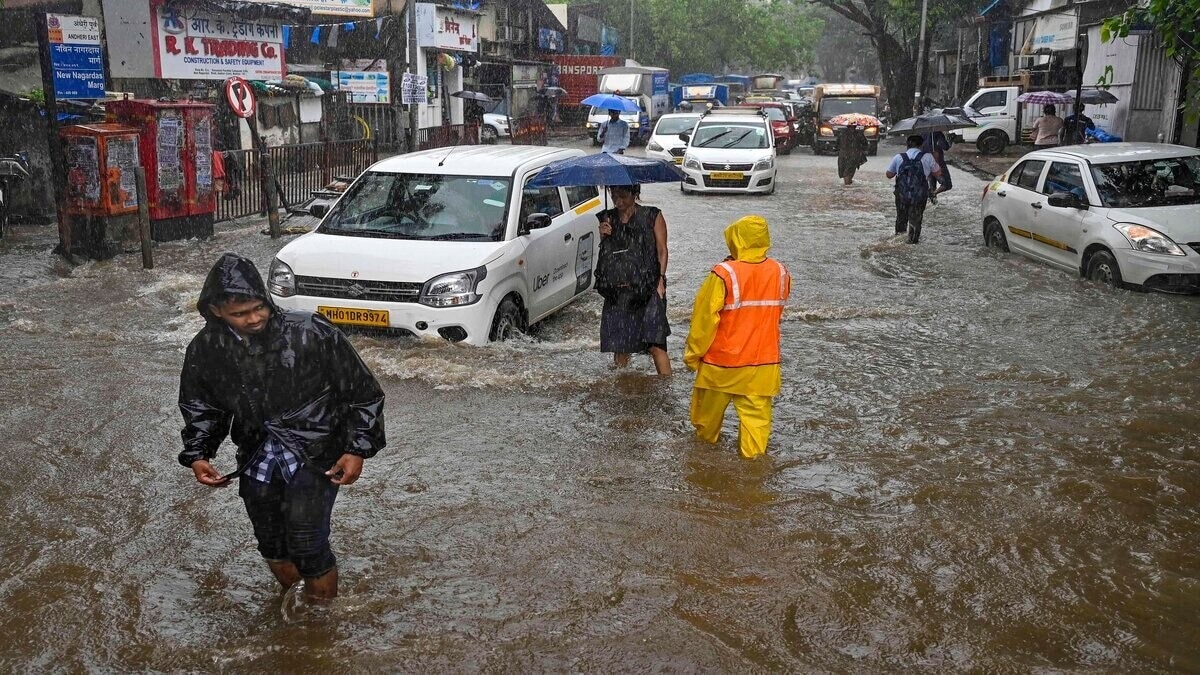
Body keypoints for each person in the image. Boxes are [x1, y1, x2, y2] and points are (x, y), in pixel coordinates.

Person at [178, 253, 386, 601]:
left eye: (258, 307)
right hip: (256, 454)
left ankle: (320, 624)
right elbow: (202, 404)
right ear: (216, 311)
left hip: (315, 452)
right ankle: (299, 610)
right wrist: (199, 453)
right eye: (240, 314)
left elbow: (363, 393)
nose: (254, 318)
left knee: (307, 542)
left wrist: (356, 449)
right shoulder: (206, 348)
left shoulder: (311, 331)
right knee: (271, 542)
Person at [684, 215, 790, 460]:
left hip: (720, 367)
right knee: (756, 441)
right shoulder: (781, 271)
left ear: (735, 238)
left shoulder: (723, 273)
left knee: (704, 434)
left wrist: (692, 356)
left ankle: (704, 475)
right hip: (762, 367)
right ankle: (753, 484)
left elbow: (703, 320)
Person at [596, 184, 671, 375]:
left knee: (656, 343)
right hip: (618, 290)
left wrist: (661, 279)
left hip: (648, 287)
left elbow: (662, 250)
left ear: (635, 194)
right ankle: (623, 387)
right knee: (621, 346)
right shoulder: (608, 218)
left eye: (623, 196)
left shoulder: (652, 215)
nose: (618, 201)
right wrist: (603, 236)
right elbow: (607, 256)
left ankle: (666, 390)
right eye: (614, 196)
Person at [885, 135, 941, 244]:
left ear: (908, 145)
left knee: (901, 218)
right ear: (922, 145)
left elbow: (889, 175)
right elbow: (938, 173)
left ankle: (898, 242)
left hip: (902, 195)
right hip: (919, 196)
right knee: (916, 220)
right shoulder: (928, 156)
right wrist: (936, 158)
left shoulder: (899, 157)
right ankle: (913, 242)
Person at [921, 130, 952, 204]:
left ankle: (933, 202)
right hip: (938, 163)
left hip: (927, 163)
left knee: (932, 186)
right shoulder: (938, 133)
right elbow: (945, 146)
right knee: (947, 185)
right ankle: (932, 194)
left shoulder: (922, 133)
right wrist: (950, 140)